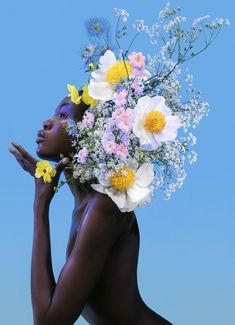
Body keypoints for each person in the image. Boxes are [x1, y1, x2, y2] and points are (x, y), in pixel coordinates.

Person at [9, 94, 173, 325]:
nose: (47, 122)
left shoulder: (104, 206)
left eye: (63, 115)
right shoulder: (86, 204)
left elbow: (48, 323)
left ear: (92, 136)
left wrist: (41, 206)